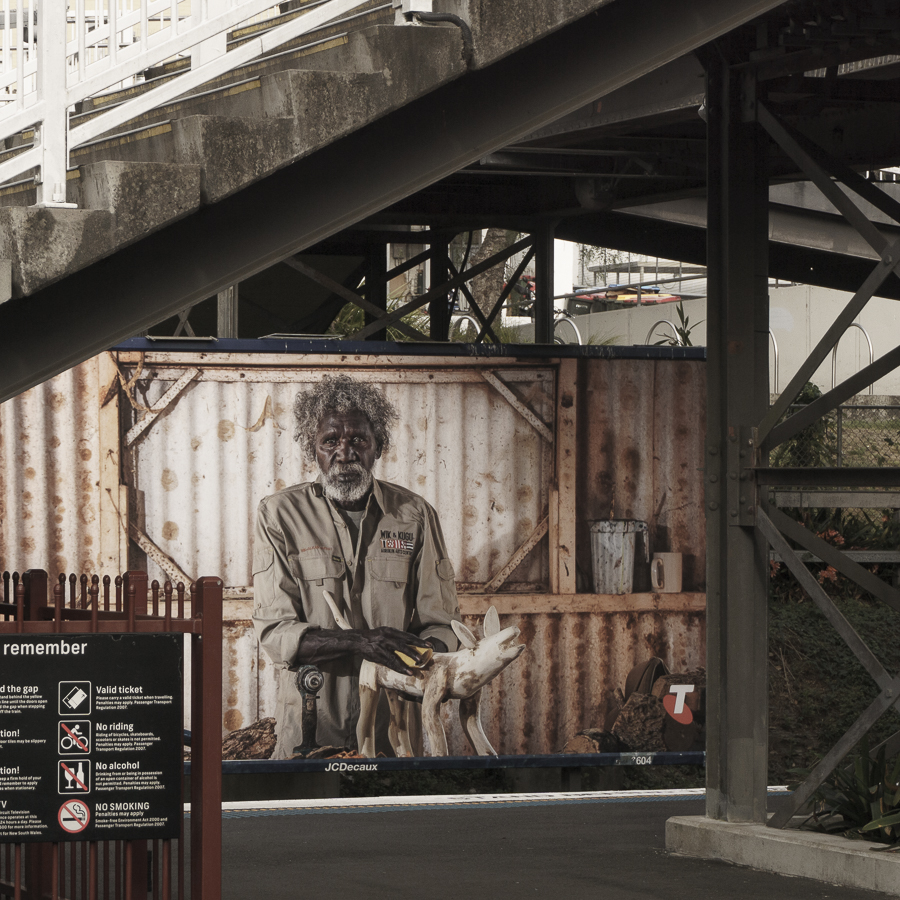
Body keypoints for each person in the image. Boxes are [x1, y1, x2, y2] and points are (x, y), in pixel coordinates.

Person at [252, 374, 460, 758]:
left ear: (378, 446)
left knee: (387, 816)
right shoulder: (279, 515)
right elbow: (275, 633)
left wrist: (421, 655)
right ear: (311, 448)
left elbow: (443, 624)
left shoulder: (414, 516)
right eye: (330, 441)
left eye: (358, 440)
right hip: (310, 729)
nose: (344, 452)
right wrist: (364, 642)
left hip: (393, 732)